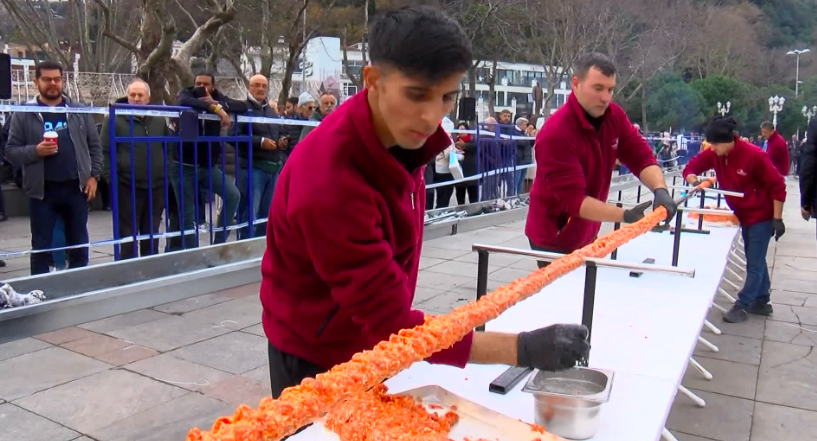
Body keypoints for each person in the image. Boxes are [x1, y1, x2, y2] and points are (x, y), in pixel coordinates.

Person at [261, 5, 590, 401]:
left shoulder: (402, 136)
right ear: (373, 80)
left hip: (370, 343)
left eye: (447, 97)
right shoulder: (330, 180)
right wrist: (522, 348)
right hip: (315, 355)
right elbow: (395, 326)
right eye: (416, 95)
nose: (432, 115)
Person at [525, 53, 677, 265]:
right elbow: (575, 202)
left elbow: (640, 155)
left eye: (610, 89)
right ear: (575, 84)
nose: (605, 97)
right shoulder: (555, 133)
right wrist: (625, 216)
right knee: (563, 294)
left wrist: (660, 189)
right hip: (554, 236)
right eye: (598, 88)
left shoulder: (614, 115)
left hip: (587, 229)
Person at [684, 116, 786, 323]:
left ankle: (743, 304)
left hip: (761, 215)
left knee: (754, 263)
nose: (711, 148)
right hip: (743, 215)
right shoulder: (715, 154)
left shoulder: (755, 156)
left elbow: (778, 186)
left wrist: (777, 218)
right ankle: (762, 300)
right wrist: (697, 181)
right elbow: (689, 169)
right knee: (754, 257)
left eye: (715, 144)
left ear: (729, 140)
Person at [5, 60, 103, 275]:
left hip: (76, 188)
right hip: (42, 191)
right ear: (36, 82)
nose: (53, 84)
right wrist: (36, 151)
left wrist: (94, 176)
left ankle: (78, 285)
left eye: (57, 79)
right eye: (47, 79)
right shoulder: (23, 112)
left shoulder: (79, 111)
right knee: (40, 245)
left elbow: (95, 147)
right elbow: (10, 151)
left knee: (78, 242)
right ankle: (39, 288)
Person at [173, 72, 247, 248]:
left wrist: (219, 104)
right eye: (198, 83)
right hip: (185, 165)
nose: (201, 87)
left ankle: (219, 244)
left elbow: (242, 106)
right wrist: (216, 109)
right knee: (188, 215)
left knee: (233, 195)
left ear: (213, 86)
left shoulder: (218, 97)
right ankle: (193, 254)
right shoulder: (187, 94)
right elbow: (184, 102)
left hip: (207, 165)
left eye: (206, 84)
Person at [101, 79, 171, 258]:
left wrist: (166, 175)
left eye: (140, 95)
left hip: (156, 186)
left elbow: (167, 149)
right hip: (126, 185)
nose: (136, 98)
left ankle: (149, 270)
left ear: (148, 98)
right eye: (133, 95)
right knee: (128, 234)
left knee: (152, 231)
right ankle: (128, 272)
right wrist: (111, 180)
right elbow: (105, 151)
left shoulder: (158, 119)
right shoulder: (114, 119)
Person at [236, 75, 288, 239]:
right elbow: (233, 137)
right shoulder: (242, 108)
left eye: (264, 86)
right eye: (256, 85)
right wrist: (260, 142)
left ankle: (261, 248)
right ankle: (245, 247)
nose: (260, 89)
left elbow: (279, 130)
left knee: (267, 213)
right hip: (253, 167)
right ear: (248, 87)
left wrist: (281, 140)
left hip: (272, 168)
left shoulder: (270, 110)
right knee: (250, 212)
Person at [454, 121, 478, 204]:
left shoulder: (472, 140)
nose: (462, 131)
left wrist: (464, 145)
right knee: (460, 196)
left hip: (471, 173)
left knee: (473, 196)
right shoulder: (454, 141)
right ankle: (461, 211)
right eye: (460, 129)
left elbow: (476, 147)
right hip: (459, 173)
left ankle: (475, 212)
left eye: (463, 129)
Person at [514, 117, 533, 195]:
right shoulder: (515, 133)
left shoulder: (524, 134)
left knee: (521, 180)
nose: (526, 126)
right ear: (519, 125)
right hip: (518, 160)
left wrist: (532, 139)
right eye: (525, 125)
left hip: (525, 160)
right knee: (516, 180)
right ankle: (513, 195)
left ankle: (519, 195)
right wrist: (529, 139)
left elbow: (529, 145)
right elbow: (521, 143)